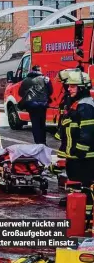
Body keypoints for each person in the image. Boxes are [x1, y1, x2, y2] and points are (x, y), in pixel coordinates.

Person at [57, 70, 94, 233]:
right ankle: (78, 220)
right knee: (77, 190)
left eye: (73, 86)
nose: (69, 89)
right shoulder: (76, 103)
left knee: (85, 191)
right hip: (75, 157)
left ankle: (85, 223)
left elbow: (87, 133)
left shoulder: (85, 105)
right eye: (69, 86)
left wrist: (79, 152)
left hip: (84, 158)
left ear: (82, 88)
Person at [18, 65, 52, 145]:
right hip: (43, 104)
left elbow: (20, 93)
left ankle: (38, 142)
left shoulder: (25, 80)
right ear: (40, 70)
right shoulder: (45, 79)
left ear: (31, 70)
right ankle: (43, 142)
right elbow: (50, 91)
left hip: (31, 105)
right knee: (42, 123)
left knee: (35, 124)